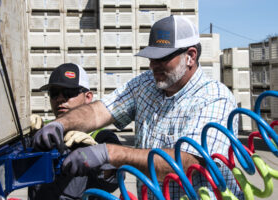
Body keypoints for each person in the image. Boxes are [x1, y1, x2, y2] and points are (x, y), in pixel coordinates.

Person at [33, 16, 243, 199]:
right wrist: (60, 125)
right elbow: (100, 110)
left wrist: (110, 153)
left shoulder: (214, 98)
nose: (153, 65)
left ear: (190, 56)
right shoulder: (146, 84)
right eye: (152, 57)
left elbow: (188, 164)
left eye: (162, 58)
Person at [29, 63, 121, 200]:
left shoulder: (103, 138)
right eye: (54, 93)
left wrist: (96, 155)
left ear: (88, 97)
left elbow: (113, 181)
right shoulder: (42, 132)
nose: (60, 99)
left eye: (69, 93)